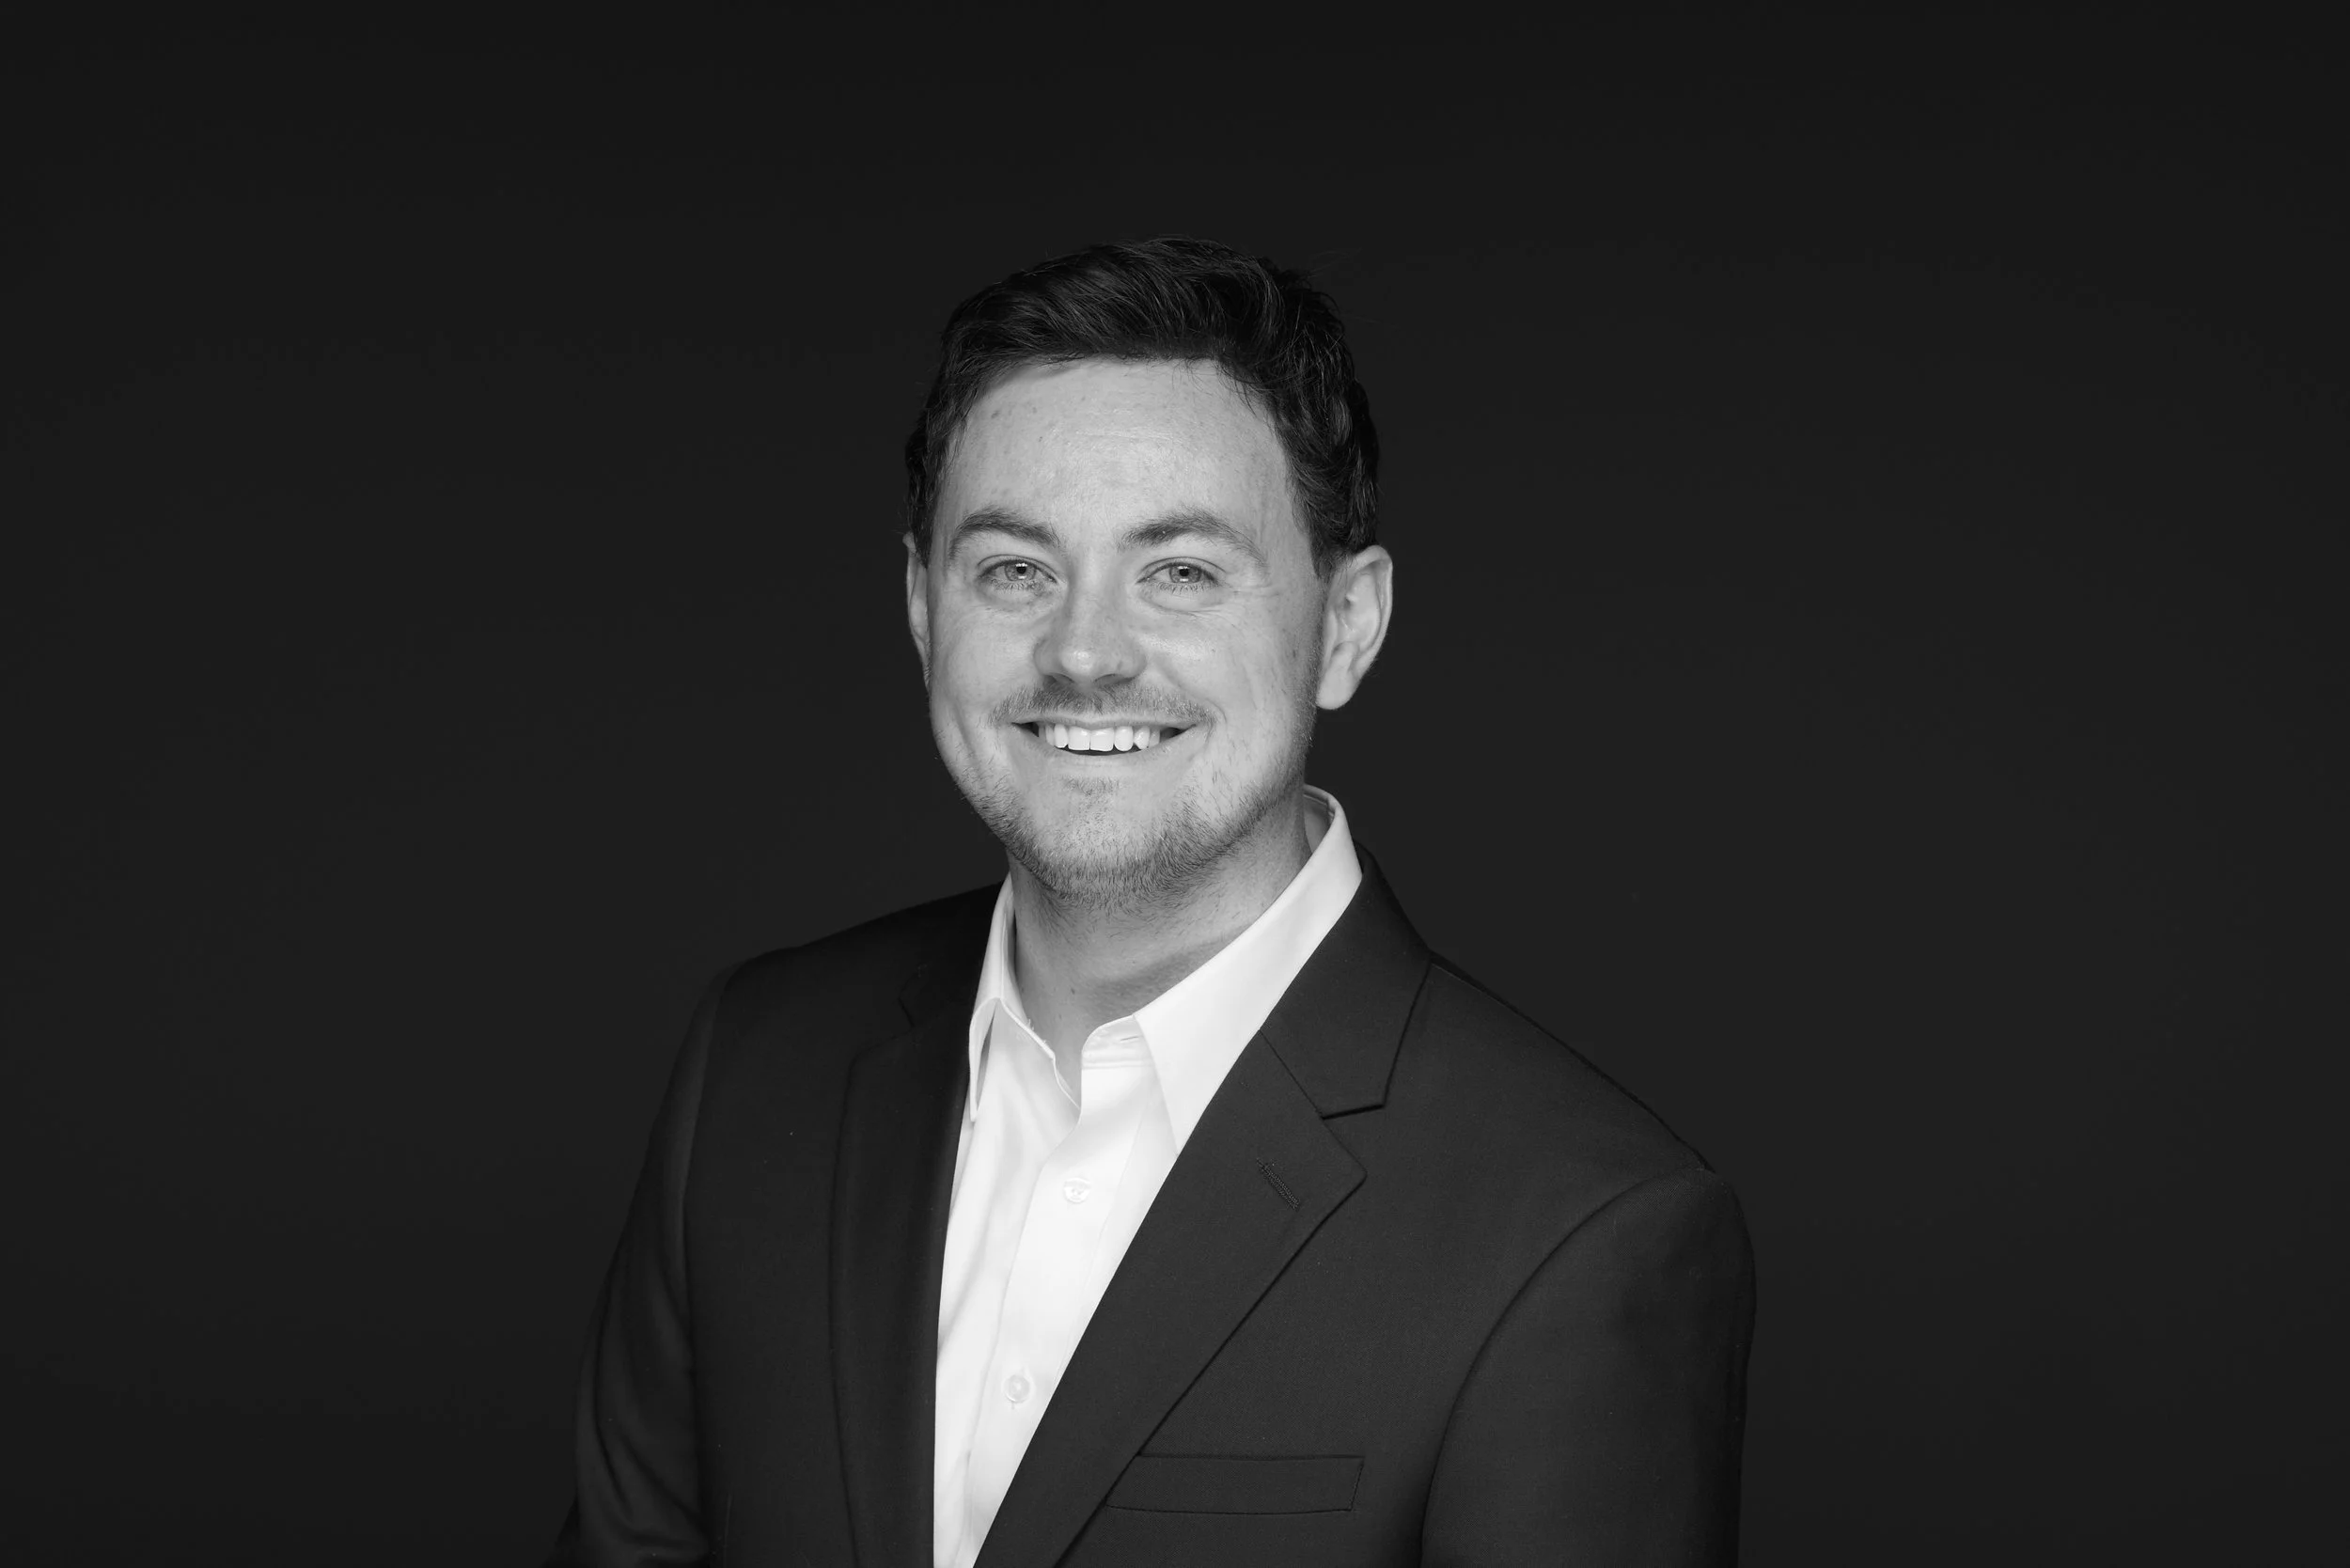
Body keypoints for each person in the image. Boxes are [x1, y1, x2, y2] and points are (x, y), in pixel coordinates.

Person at [547, 236, 1754, 1568]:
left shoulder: (1583, 1233)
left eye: (1180, 571)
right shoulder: (757, 1067)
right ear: (919, 608)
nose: (1084, 650)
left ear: (1346, 627)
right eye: (1015, 568)